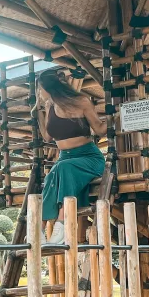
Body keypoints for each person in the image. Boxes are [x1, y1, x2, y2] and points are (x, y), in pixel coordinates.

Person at [34, 67, 107, 244]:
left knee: (62, 168)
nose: (38, 92)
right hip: (64, 159)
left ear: (48, 88)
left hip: (89, 157)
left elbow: (99, 129)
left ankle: (61, 224)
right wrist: (37, 112)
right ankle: (39, 231)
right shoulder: (49, 105)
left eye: (39, 88)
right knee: (52, 176)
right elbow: (47, 136)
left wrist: (117, 117)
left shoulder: (81, 101)